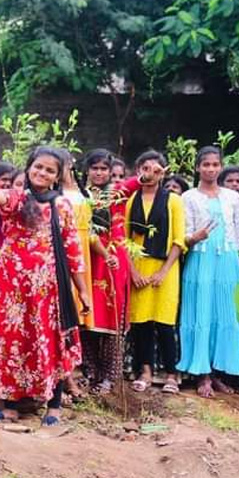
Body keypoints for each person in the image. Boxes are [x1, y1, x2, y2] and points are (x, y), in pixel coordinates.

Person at [0, 147, 90, 425]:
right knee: (11, 340)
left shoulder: (61, 205)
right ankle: (10, 406)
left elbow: (72, 249)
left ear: (57, 176)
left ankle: (54, 406)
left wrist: (83, 290)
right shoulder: (19, 198)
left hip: (47, 287)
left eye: (50, 170)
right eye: (38, 167)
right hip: (11, 285)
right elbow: (0, 197)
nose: (42, 173)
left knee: (50, 340)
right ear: (28, 168)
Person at [176, 146, 239, 397]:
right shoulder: (188, 197)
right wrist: (195, 237)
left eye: (215, 164)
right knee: (202, 313)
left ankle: (218, 374)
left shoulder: (233, 197)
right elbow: (184, 236)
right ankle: (202, 375)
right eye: (205, 164)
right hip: (200, 259)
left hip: (228, 261)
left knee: (226, 316)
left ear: (221, 167)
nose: (210, 169)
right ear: (197, 168)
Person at [81, 149, 145, 394]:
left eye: (104, 169)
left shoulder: (116, 194)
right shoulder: (82, 195)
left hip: (112, 261)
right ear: (87, 170)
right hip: (88, 260)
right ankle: (90, 371)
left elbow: (133, 184)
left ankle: (109, 376)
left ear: (110, 172)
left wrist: (146, 176)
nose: (99, 173)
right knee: (87, 317)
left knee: (112, 316)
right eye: (95, 168)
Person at [126, 150, 186, 394]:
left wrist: (163, 272)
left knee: (164, 323)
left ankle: (171, 373)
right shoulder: (131, 199)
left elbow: (179, 240)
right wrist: (133, 272)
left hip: (166, 269)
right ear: (138, 171)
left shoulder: (173, 201)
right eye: (145, 168)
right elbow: (124, 240)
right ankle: (146, 371)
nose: (150, 173)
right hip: (139, 267)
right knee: (141, 323)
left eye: (155, 168)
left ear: (163, 172)